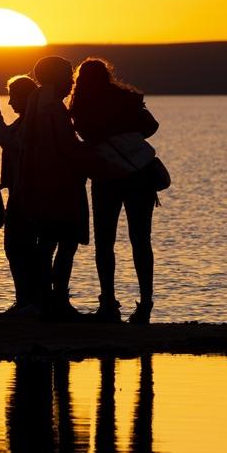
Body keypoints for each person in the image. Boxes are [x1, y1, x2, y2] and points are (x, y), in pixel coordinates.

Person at [71, 58, 158, 324]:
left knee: (105, 242)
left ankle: (108, 303)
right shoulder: (128, 98)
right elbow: (151, 127)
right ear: (107, 75)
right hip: (139, 174)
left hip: (106, 175)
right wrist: (129, 136)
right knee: (141, 240)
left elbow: (86, 136)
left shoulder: (81, 105)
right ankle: (145, 304)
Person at [18, 56, 89, 320]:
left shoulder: (36, 102)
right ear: (57, 78)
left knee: (45, 244)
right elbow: (66, 147)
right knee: (66, 243)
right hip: (60, 186)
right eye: (68, 75)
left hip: (38, 184)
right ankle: (57, 301)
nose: (71, 81)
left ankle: (42, 299)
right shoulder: (53, 108)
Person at [0, 74, 40, 315]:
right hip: (20, 193)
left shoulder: (32, 123)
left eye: (14, 97)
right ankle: (25, 300)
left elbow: (10, 143)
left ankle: (28, 302)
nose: (10, 103)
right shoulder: (25, 122)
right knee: (17, 248)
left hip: (27, 195)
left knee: (18, 247)